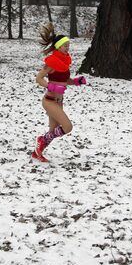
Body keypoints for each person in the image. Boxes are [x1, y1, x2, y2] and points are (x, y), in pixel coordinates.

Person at [32, 23, 86, 163]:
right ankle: (41, 140)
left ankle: (37, 152)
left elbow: (64, 79)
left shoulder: (64, 62)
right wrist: (53, 88)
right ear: (58, 47)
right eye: (65, 45)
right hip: (49, 100)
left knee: (52, 130)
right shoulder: (51, 63)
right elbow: (39, 79)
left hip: (59, 101)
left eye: (68, 45)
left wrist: (75, 81)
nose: (67, 47)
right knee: (67, 127)